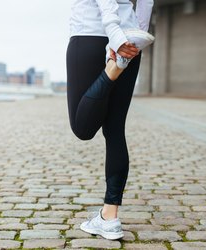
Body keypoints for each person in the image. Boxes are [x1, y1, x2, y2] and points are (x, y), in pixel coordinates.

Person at [66, 0, 154, 240]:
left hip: (89, 36)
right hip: (130, 40)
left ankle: (112, 69)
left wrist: (116, 37)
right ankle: (110, 218)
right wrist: (136, 38)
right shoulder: (131, 39)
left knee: (82, 128)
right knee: (115, 130)